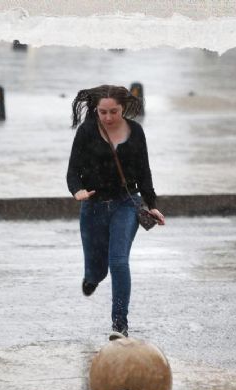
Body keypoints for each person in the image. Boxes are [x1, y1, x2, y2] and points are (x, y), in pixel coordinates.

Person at [66, 84, 165, 341]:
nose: (108, 118)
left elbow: (145, 173)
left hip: (125, 203)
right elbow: (72, 171)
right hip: (93, 205)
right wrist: (76, 190)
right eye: (103, 112)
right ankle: (92, 278)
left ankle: (119, 325)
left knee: (119, 261)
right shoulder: (86, 131)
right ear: (96, 110)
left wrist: (152, 204)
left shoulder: (136, 132)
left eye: (114, 112)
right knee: (98, 270)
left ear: (124, 108)